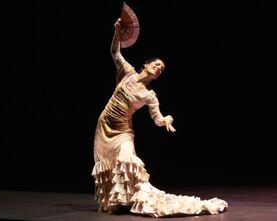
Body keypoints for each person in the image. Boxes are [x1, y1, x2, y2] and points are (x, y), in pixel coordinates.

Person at [91, 18, 228, 217]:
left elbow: (157, 118)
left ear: (157, 77)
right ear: (146, 65)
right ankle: (118, 201)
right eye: (156, 64)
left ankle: (137, 197)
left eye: (161, 69)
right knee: (108, 165)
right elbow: (115, 52)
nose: (158, 68)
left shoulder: (150, 95)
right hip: (104, 127)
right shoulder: (127, 73)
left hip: (122, 131)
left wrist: (166, 120)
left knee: (127, 158)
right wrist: (117, 32)